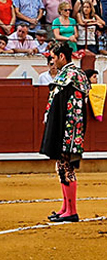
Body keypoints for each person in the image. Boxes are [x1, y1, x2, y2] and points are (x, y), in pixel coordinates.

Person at [40, 42, 90, 223]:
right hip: (66, 127)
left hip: (68, 128)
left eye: (53, 57)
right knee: (61, 167)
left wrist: (67, 132)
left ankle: (72, 210)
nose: (51, 61)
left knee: (66, 167)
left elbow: (74, 107)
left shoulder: (72, 74)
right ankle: (65, 207)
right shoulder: (69, 74)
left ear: (62, 56)